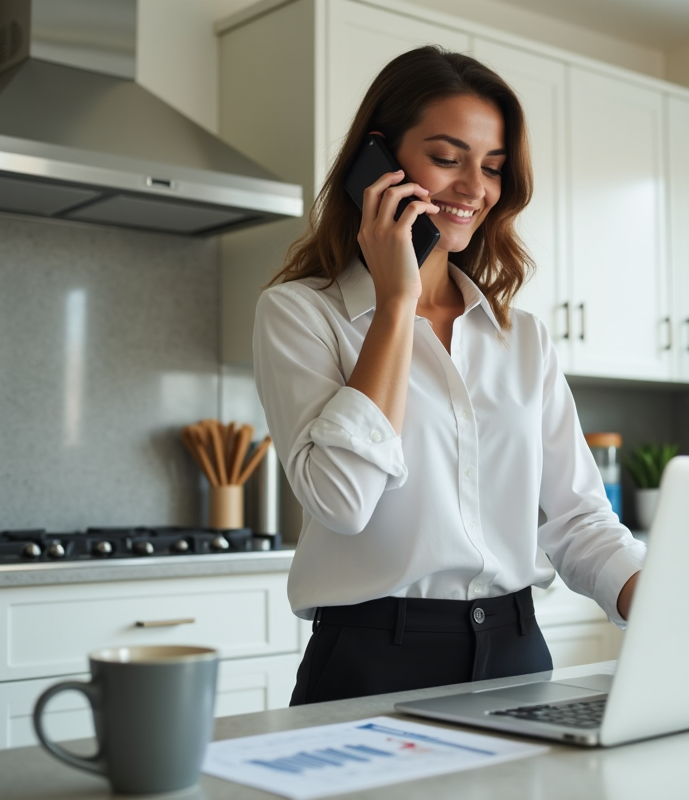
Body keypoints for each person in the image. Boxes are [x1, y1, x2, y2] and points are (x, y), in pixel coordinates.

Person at [253, 46, 645, 706]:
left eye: (492, 167)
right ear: (377, 160)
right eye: (446, 157)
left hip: (519, 656)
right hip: (372, 662)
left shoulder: (521, 338)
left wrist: (668, 603)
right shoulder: (302, 313)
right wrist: (397, 303)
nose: (475, 188)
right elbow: (342, 502)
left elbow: (580, 520)